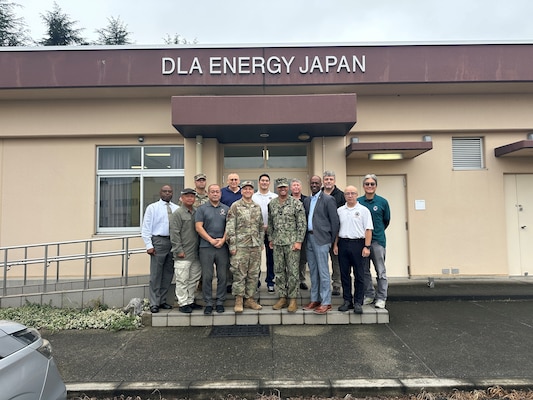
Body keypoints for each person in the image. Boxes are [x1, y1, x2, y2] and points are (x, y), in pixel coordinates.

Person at [267, 177, 306, 313]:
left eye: (284, 187)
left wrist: (299, 241)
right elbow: (270, 223)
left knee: (293, 271)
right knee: (278, 270)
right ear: (277, 189)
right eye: (280, 187)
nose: (282, 189)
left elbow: (302, 224)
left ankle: (293, 299)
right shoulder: (272, 204)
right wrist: (271, 239)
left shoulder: (296, 204)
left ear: (288, 188)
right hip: (277, 243)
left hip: (292, 243)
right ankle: (282, 297)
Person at [333, 185, 373, 314]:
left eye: (352, 193)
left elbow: (368, 229)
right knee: (344, 274)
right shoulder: (339, 210)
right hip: (343, 243)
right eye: (347, 193)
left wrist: (367, 246)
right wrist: (335, 245)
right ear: (344, 196)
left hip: (358, 244)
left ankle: (358, 302)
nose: (350, 195)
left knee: (359, 275)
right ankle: (347, 301)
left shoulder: (364, 210)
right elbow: (337, 230)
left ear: (356, 195)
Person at [303, 175, 340, 315]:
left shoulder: (328, 199)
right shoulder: (307, 200)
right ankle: (315, 299)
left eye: (316, 183)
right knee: (313, 271)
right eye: (312, 183)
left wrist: (331, 241)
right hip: (309, 239)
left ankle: (326, 302)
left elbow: (335, 221)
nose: (314, 185)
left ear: (321, 184)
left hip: (322, 240)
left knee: (323, 272)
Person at [226, 181, 265, 312]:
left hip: (254, 245)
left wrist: (261, 242)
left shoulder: (257, 207)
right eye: (245, 189)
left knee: (253, 274)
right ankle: (238, 300)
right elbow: (230, 226)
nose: (247, 191)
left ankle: (249, 299)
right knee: (239, 273)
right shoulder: (235, 206)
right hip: (240, 246)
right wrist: (232, 245)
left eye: (250, 189)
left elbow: (261, 226)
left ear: (253, 191)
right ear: (241, 191)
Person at [141, 185, 179, 313]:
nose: (167, 193)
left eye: (170, 191)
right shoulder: (152, 208)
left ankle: (162, 301)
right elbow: (146, 227)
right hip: (158, 241)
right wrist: (149, 245)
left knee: (168, 273)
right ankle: (154, 303)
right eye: (165, 191)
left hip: (173, 242)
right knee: (156, 274)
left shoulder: (176, 208)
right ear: (160, 192)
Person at [195, 184, 230, 314]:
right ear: (208, 194)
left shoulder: (226, 209)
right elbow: (198, 227)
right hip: (206, 247)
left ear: (220, 194)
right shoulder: (202, 209)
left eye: (217, 192)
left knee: (222, 275)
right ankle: (208, 302)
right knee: (207, 276)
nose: (215, 194)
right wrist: (210, 240)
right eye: (212, 192)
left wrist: (223, 240)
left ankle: (220, 301)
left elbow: (229, 227)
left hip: (222, 247)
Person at [358, 174, 391, 309]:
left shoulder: (382, 202)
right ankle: (369, 294)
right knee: (364, 270)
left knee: (380, 271)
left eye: (372, 184)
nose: (369, 186)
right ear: (363, 186)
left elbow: (386, 220)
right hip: (362, 242)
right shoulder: (359, 201)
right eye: (367, 184)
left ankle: (381, 297)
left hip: (377, 241)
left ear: (376, 186)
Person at [169, 188, 202, 314]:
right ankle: (182, 303)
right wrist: (178, 250)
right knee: (182, 279)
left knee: (193, 279)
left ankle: (190, 300)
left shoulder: (197, 212)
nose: (190, 199)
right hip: (183, 253)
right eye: (187, 196)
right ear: (182, 198)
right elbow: (174, 233)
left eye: (192, 196)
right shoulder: (177, 213)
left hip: (196, 253)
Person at [252, 173, 278, 293]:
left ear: (269, 183)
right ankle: (255, 282)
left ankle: (270, 281)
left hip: (271, 232)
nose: (264, 182)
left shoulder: (274, 197)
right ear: (259, 182)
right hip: (256, 232)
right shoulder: (253, 197)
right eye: (262, 180)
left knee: (271, 257)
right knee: (256, 258)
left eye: (266, 181)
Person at [321, 171, 344, 296]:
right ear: (323, 181)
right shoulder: (318, 194)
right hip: (322, 234)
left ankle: (336, 285)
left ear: (334, 181)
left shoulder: (340, 195)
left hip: (336, 234)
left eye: (330, 179)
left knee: (336, 260)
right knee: (322, 261)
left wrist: (337, 238)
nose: (328, 181)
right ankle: (322, 285)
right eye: (326, 179)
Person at [290, 178, 308, 290]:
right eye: (294, 185)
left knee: (302, 259)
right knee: (291, 259)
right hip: (289, 234)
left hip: (303, 235)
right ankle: (291, 280)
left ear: (301, 187)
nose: (296, 187)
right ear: (291, 188)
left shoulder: (307, 200)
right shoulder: (287, 200)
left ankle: (301, 279)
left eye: (298, 185)